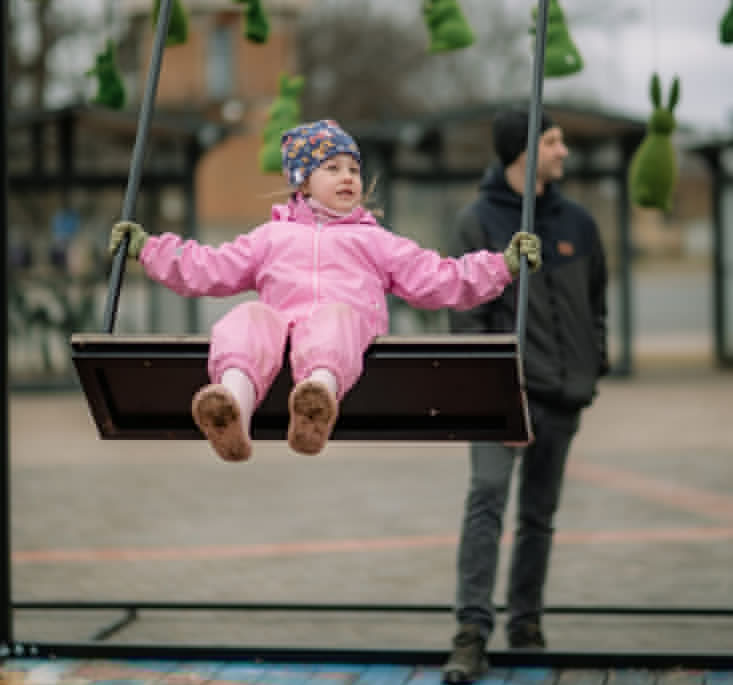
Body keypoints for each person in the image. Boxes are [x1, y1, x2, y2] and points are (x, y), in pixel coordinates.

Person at [109, 118, 542, 463]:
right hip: (281, 342)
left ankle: (316, 401)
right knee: (247, 318)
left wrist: (501, 266)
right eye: (332, 168)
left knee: (336, 318)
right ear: (302, 182)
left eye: (353, 169)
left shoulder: (375, 241)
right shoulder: (270, 237)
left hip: (338, 346)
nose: (348, 176)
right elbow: (209, 267)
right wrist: (148, 249)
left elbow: (437, 277)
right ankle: (231, 408)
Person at [441, 105, 609, 685]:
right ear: (523, 151)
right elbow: (465, 317)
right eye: (553, 141)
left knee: (539, 516)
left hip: (562, 396)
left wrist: (592, 365)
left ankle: (526, 625)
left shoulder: (579, 223)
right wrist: (497, 395)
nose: (563, 151)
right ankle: (471, 634)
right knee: (486, 504)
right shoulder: (478, 222)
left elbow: (596, 303)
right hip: (501, 399)